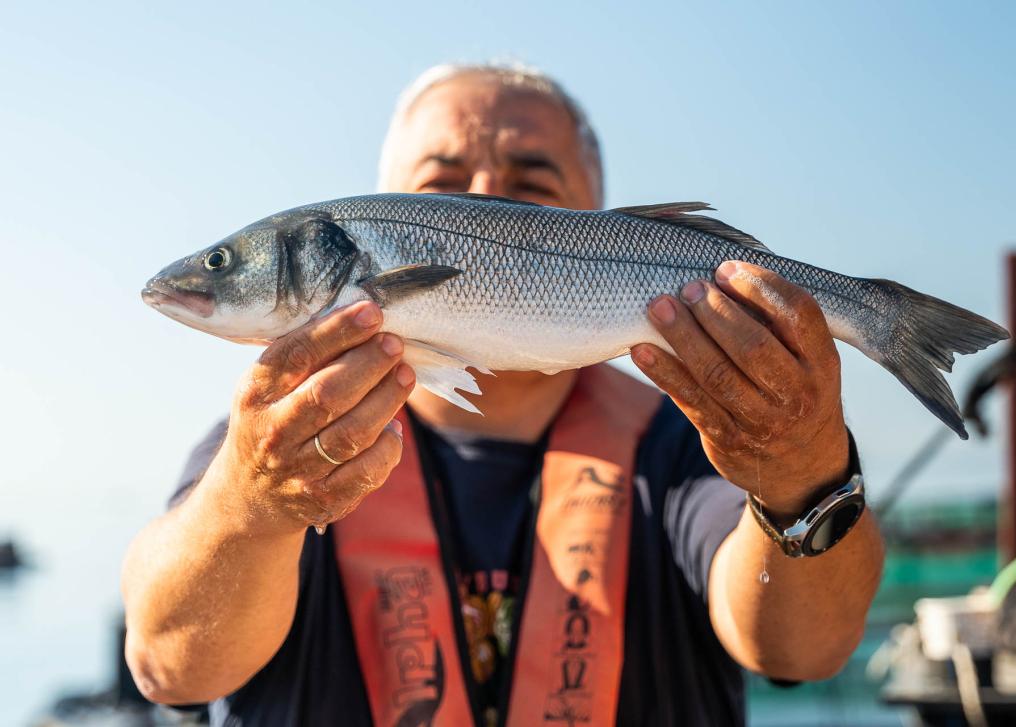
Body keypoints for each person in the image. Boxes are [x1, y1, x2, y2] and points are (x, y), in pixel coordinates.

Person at [121, 62, 884, 726]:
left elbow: (808, 647)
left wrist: (801, 473)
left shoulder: (687, 438)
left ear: (601, 217)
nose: (484, 201)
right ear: (388, 211)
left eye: (530, 184)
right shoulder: (268, 446)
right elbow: (168, 665)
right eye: (443, 187)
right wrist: (250, 503)